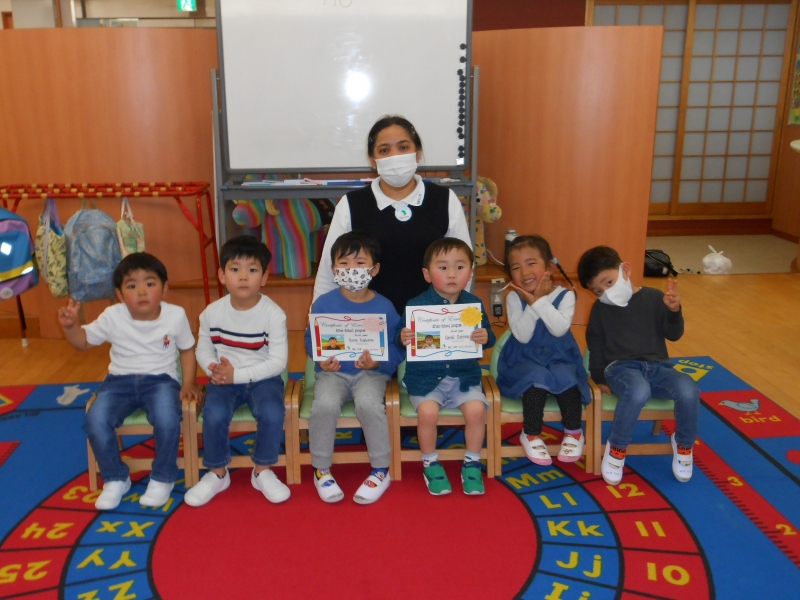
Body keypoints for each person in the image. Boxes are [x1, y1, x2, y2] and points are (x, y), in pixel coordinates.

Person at [58, 252, 199, 511]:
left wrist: (189, 383)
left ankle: (163, 477)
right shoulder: (112, 315)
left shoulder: (175, 315)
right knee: (95, 419)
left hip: (161, 381)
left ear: (164, 288)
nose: (142, 292)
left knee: (168, 417)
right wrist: (70, 327)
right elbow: (84, 342)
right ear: (120, 295)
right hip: (118, 382)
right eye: (132, 286)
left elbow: (187, 350)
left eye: (150, 283)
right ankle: (115, 478)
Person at [313, 115, 472, 315]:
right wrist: (318, 321)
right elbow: (329, 274)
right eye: (384, 150)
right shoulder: (351, 204)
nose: (395, 156)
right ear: (373, 161)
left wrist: (461, 319)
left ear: (417, 154)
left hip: (431, 320)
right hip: (369, 321)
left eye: (403, 147)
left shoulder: (445, 200)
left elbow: (464, 266)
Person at [577, 246, 699, 486]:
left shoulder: (654, 297)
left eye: (608, 282)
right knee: (638, 390)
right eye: (598, 290)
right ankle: (617, 448)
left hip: (659, 368)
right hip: (620, 368)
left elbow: (674, 334)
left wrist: (674, 311)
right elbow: (596, 342)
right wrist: (599, 377)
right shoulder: (600, 309)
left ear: (626, 270)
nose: (606, 293)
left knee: (688, 389)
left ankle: (684, 444)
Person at [186, 235, 290, 506]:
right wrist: (214, 369)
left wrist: (238, 375)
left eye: (252, 270)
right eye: (235, 269)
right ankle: (218, 473)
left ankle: (262, 471)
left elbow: (278, 362)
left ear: (264, 278)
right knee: (214, 413)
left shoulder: (274, 314)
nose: (243, 277)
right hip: (224, 379)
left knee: (272, 412)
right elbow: (202, 349)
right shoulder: (211, 313)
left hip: (264, 379)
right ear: (222, 275)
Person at [305, 231, 403, 504]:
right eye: (344, 263)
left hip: (370, 374)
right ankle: (321, 469)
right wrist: (320, 359)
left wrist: (378, 362)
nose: (352, 270)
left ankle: (381, 469)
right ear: (334, 268)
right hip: (332, 373)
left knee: (369, 405)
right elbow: (310, 339)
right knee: (324, 406)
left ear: (375, 269)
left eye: (360, 263)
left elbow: (397, 347)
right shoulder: (323, 303)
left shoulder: (384, 306)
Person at [400, 238, 496, 496]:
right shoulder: (415, 305)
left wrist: (485, 337)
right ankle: (430, 462)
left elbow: (488, 337)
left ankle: (472, 462)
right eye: (443, 268)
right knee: (428, 413)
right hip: (425, 378)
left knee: (477, 411)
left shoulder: (473, 305)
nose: (452, 274)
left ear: (470, 273)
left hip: (464, 377)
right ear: (427, 274)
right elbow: (399, 339)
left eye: (459, 267)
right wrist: (403, 337)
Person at [497, 236, 591, 466]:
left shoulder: (566, 295)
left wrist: (539, 301)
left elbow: (559, 329)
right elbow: (522, 335)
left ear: (550, 266)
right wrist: (533, 302)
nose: (524, 272)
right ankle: (530, 433)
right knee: (535, 376)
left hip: (560, 356)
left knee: (566, 376)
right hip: (524, 359)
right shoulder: (513, 297)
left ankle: (574, 431)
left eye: (531, 263)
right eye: (516, 268)